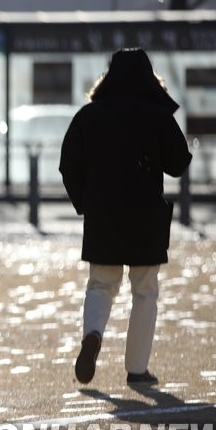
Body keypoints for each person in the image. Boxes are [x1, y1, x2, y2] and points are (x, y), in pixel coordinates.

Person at [59, 48, 192, 387]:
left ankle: (92, 335)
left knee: (101, 284)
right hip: (145, 215)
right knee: (145, 291)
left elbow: (68, 164)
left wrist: (85, 202)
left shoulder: (89, 116)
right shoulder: (157, 115)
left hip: (103, 216)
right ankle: (136, 368)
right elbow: (178, 164)